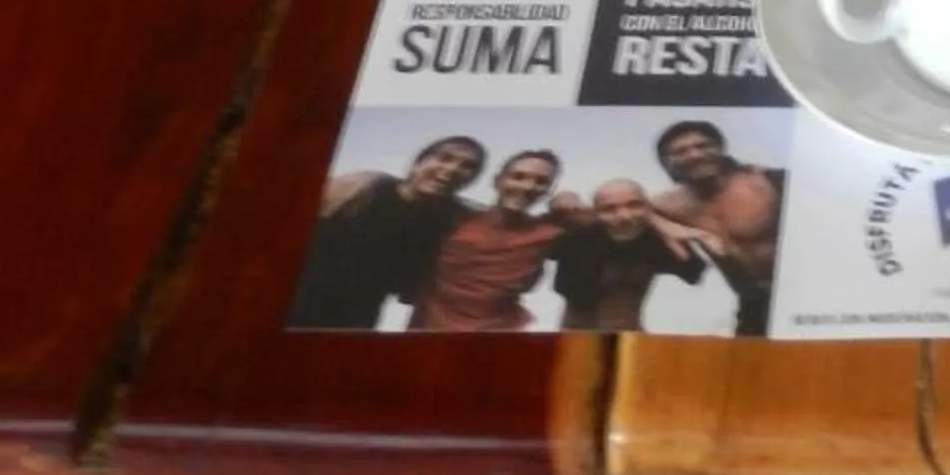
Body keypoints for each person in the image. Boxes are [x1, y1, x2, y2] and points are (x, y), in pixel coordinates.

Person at [291, 136, 486, 330]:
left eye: (467, 166)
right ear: (418, 163)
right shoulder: (364, 188)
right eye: (445, 158)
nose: (452, 170)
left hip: (355, 322)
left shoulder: (450, 219)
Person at [410, 148, 572, 334]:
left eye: (541, 181)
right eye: (518, 177)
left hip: (500, 335)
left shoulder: (548, 232)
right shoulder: (451, 220)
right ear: (497, 181)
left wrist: (570, 204)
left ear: (548, 191)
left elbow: (600, 227)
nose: (528, 187)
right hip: (430, 331)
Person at [651, 120, 784, 338]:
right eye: (680, 151)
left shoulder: (765, 183)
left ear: (721, 150)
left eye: (703, 146)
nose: (694, 155)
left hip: (800, 292)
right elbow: (615, 209)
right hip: (753, 303)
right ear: (667, 163)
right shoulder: (668, 206)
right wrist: (686, 231)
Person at [549, 179, 708, 334]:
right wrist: (564, 198)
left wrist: (662, 227)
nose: (624, 216)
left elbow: (693, 271)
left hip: (628, 333)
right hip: (575, 335)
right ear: (596, 212)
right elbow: (560, 207)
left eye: (635, 205)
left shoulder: (654, 240)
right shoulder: (577, 238)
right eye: (609, 209)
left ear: (648, 207)